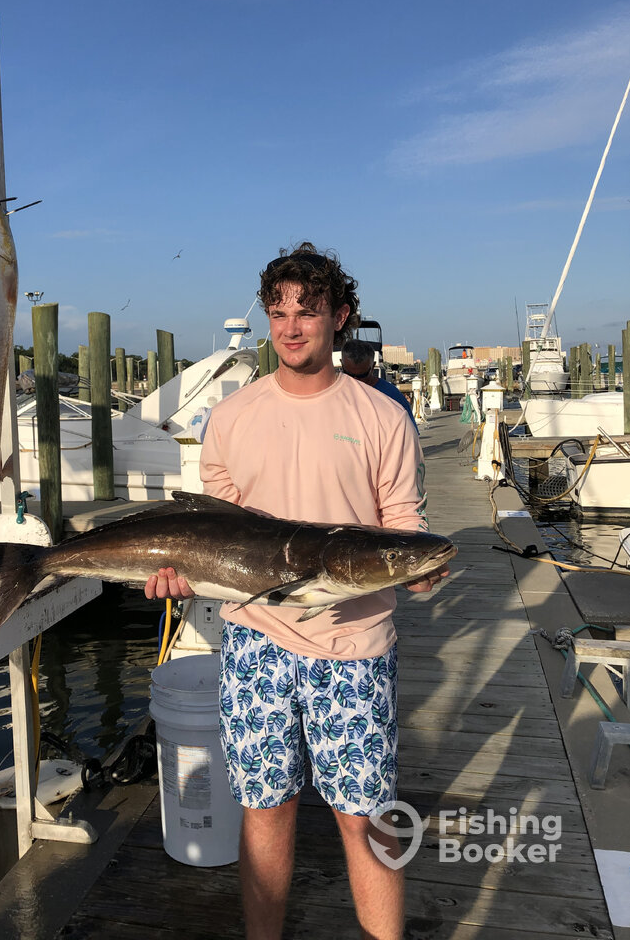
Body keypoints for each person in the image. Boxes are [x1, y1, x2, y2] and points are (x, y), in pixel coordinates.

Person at [145, 242, 446, 940]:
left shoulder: (382, 416)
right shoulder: (232, 416)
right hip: (256, 641)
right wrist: (175, 575)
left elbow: (403, 523)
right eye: (277, 312)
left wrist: (422, 566)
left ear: (340, 317)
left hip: (355, 644)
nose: (290, 327)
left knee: (365, 817)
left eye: (307, 312)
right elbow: (210, 527)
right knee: (265, 809)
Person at [341, 338, 418, 427]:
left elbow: (409, 431)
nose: (355, 381)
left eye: (362, 375)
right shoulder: (334, 393)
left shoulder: (392, 397)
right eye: (349, 374)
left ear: (373, 366)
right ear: (341, 364)